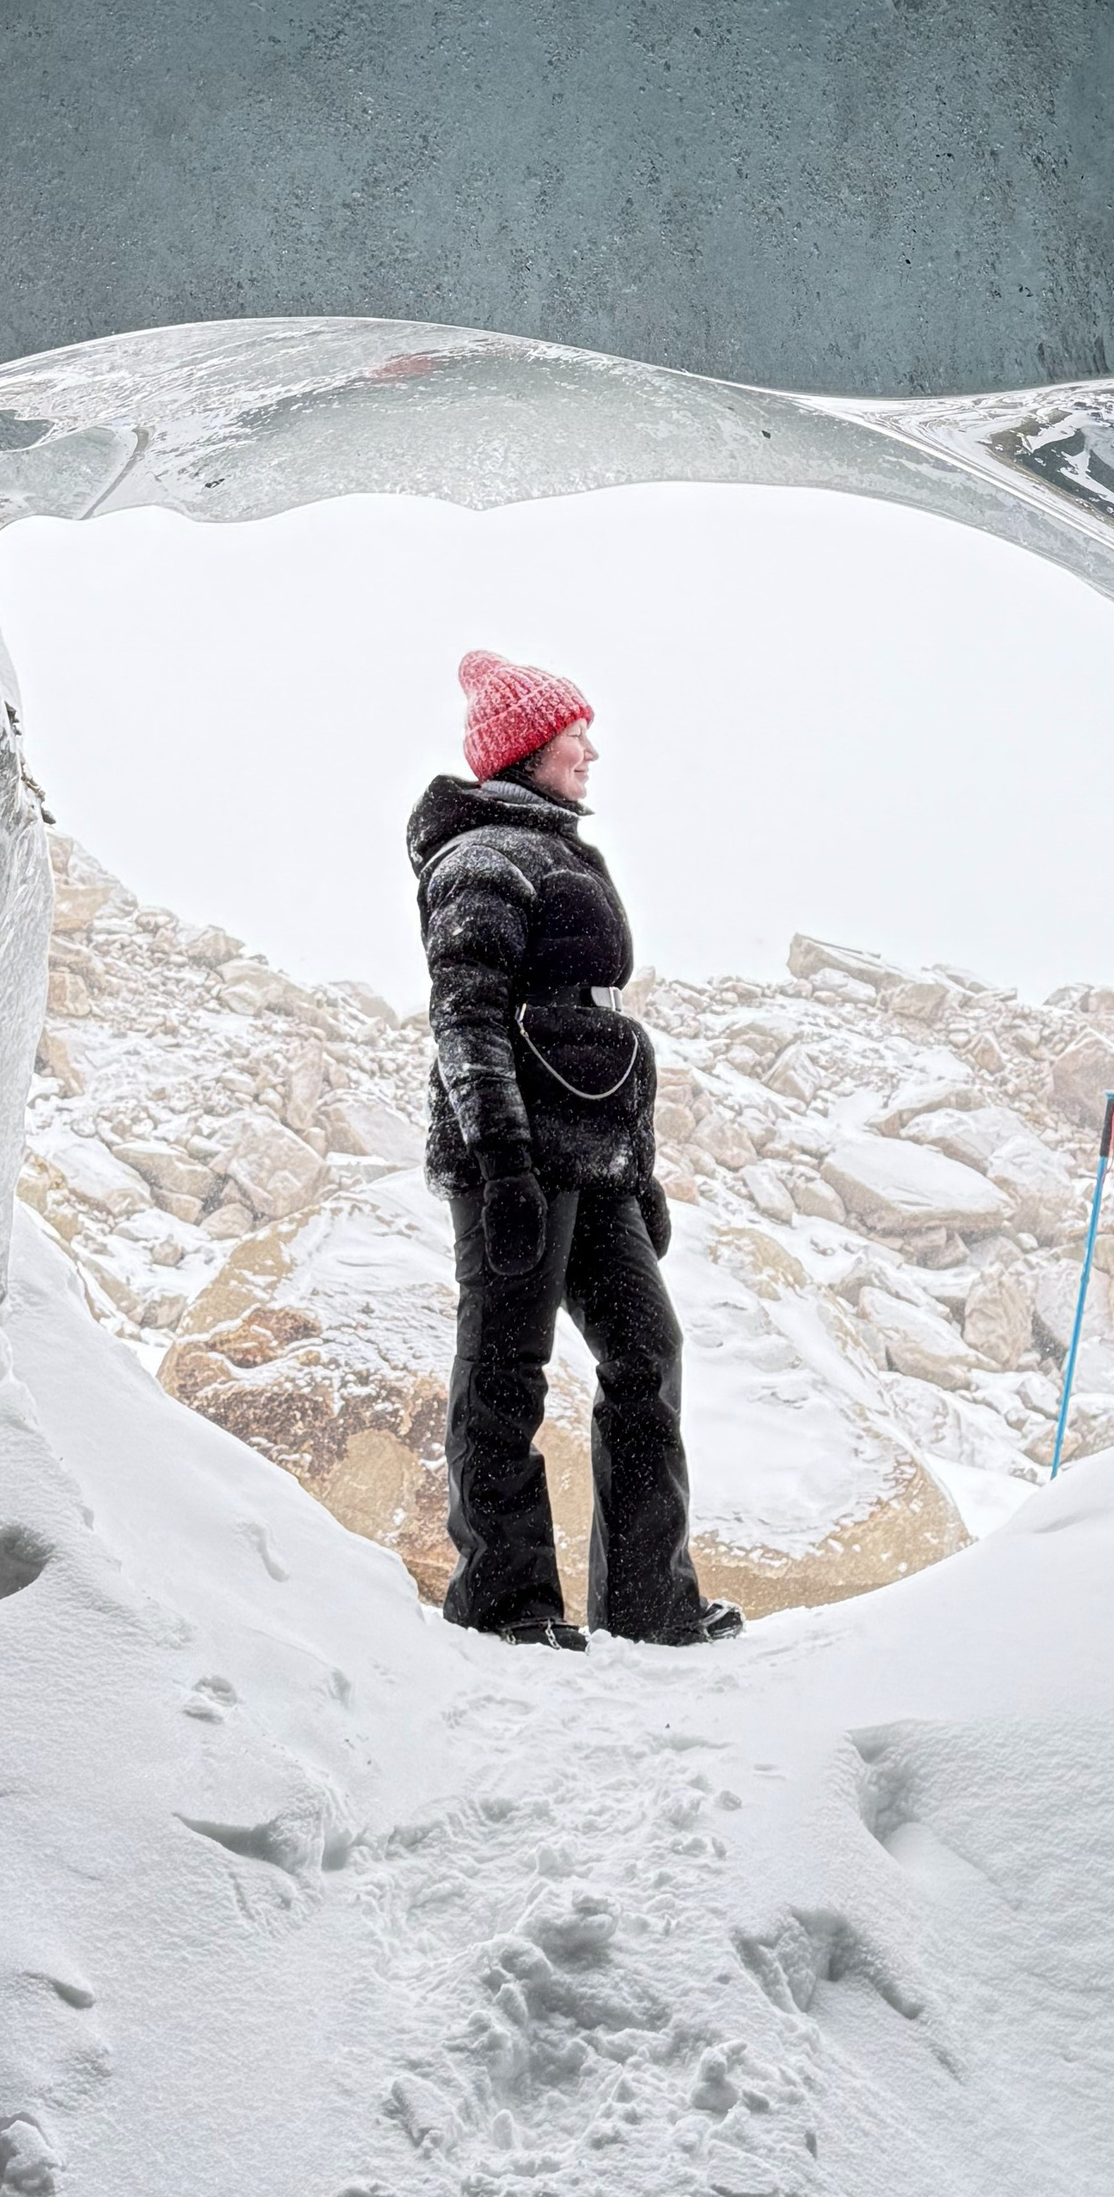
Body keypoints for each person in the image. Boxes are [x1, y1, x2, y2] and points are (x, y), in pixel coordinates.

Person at [408, 649, 744, 1652]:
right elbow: (466, 1020)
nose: (591, 751)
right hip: (514, 1159)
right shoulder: (480, 860)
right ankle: (505, 1603)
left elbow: (597, 1036)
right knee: (505, 1368)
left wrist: (637, 1174)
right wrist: (503, 1166)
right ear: (525, 748)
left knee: (647, 1349)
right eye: (574, 735)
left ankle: (648, 1605)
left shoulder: (554, 850)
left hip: (591, 1164)